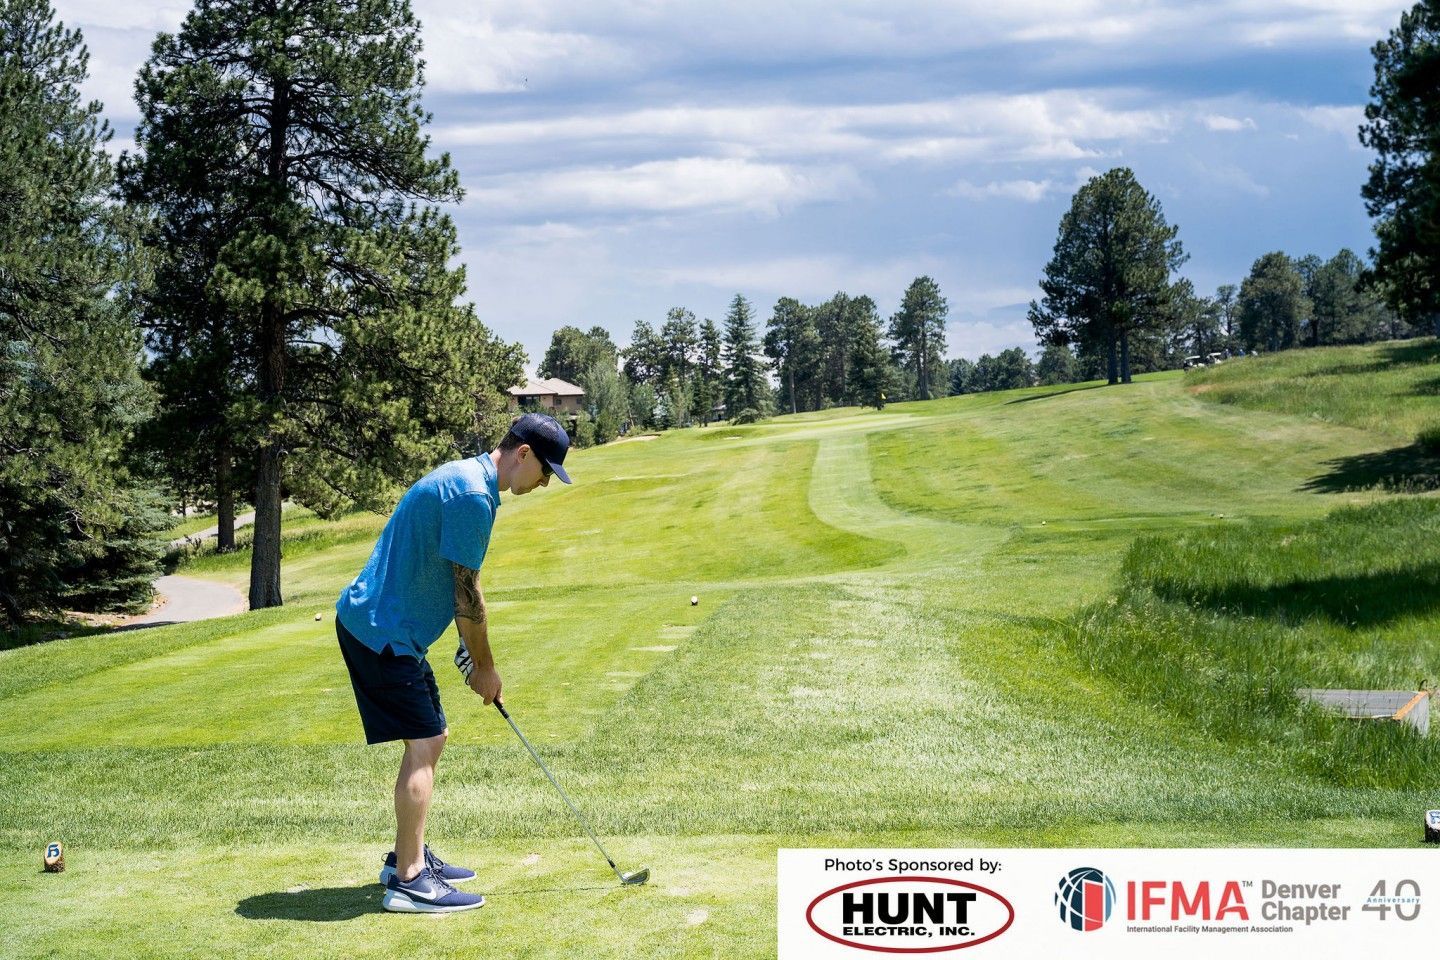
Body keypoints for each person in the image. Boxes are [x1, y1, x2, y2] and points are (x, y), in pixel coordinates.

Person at [334, 412, 572, 913]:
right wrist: (484, 666)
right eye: (546, 471)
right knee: (425, 741)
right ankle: (410, 880)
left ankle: (407, 854)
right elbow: (469, 595)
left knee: (430, 736)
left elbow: (442, 578)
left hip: (387, 627)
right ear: (523, 454)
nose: (545, 482)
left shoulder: (466, 480)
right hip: (382, 631)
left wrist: (465, 649)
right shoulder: (471, 495)